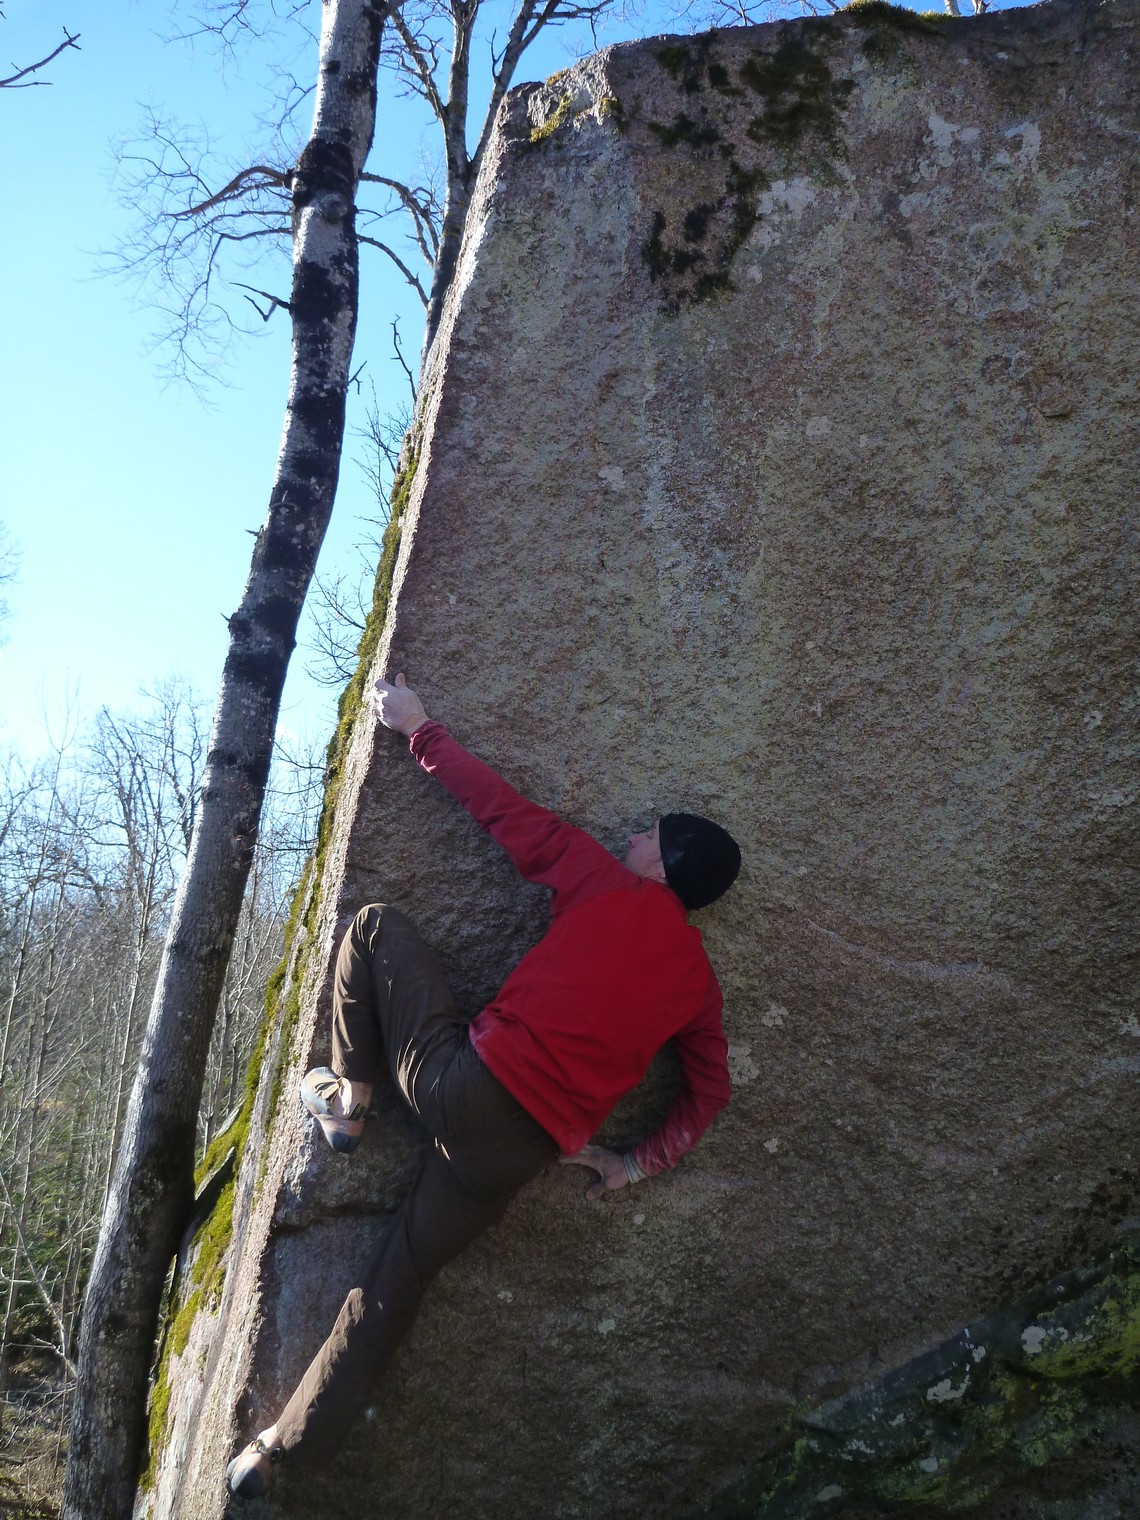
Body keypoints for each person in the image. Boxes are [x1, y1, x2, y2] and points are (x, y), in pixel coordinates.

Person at [226, 674, 741, 1499]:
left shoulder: (605, 881)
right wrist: (632, 1165)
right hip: (515, 1160)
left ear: (667, 861)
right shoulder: (699, 988)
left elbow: (501, 810)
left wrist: (418, 728)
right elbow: (709, 1094)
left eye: (647, 833)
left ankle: (349, 1103)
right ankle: (281, 1450)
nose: (631, 835)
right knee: (396, 1282)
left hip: (461, 1084)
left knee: (373, 927)